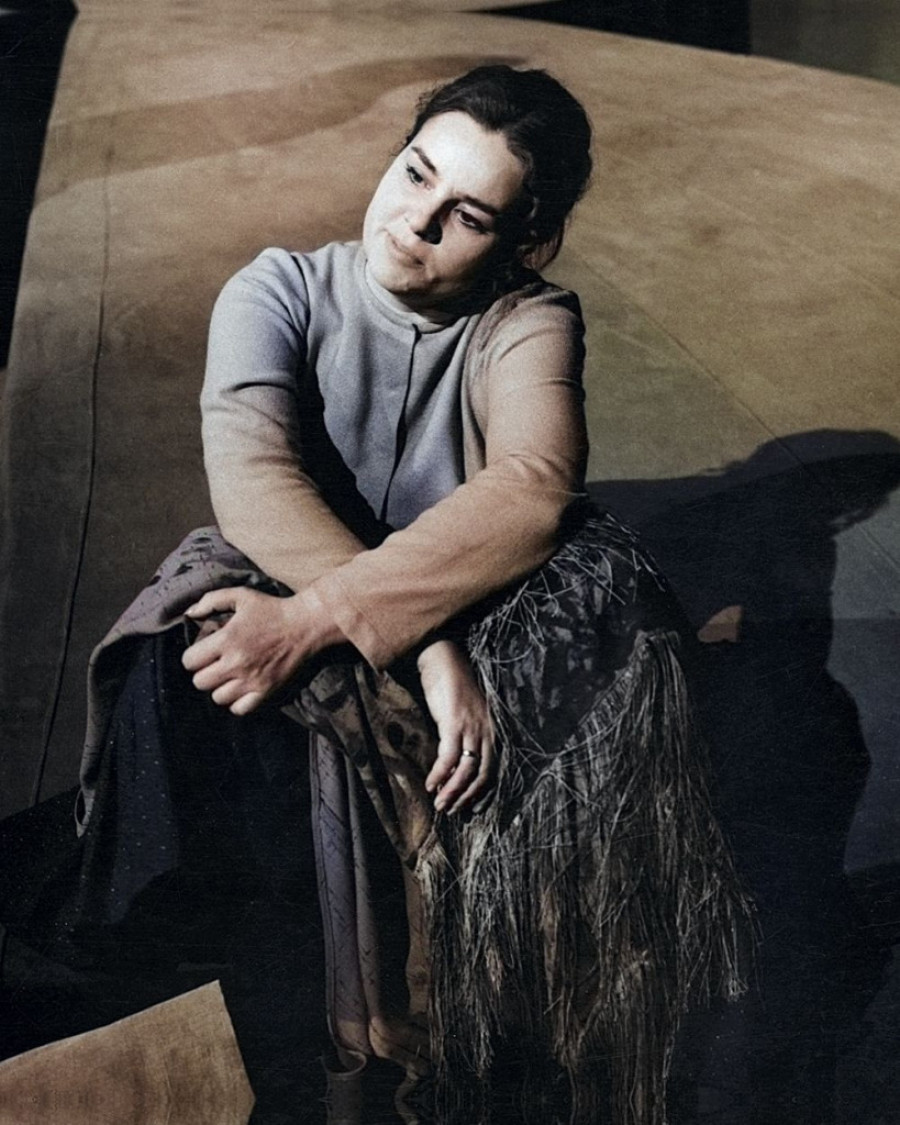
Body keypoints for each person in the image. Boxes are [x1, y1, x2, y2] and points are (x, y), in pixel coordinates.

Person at [3, 66, 750, 1125]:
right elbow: (254, 480)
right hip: (308, 583)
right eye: (414, 173)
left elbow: (533, 489)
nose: (416, 222)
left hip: (457, 601)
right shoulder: (278, 288)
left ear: (525, 244)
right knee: (194, 686)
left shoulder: (530, 319)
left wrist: (333, 620)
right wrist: (411, 645)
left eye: (469, 216)